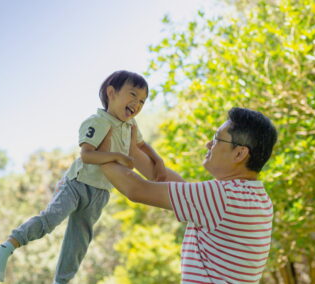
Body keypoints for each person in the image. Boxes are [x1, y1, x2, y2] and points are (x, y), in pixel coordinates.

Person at [0, 70, 169, 284]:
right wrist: (118, 157)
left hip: (101, 191)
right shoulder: (97, 121)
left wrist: (157, 159)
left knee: (80, 240)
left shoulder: (131, 126)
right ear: (111, 92)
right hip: (77, 184)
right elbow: (87, 156)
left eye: (142, 101)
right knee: (51, 219)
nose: (137, 104)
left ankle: (61, 281)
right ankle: (7, 246)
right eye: (132, 95)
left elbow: (141, 144)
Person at [99, 107, 278, 283]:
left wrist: (99, 154)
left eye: (217, 139)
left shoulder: (222, 197)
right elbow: (168, 183)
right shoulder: (255, 198)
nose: (209, 144)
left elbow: (136, 190)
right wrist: (131, 149)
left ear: (239, 153)